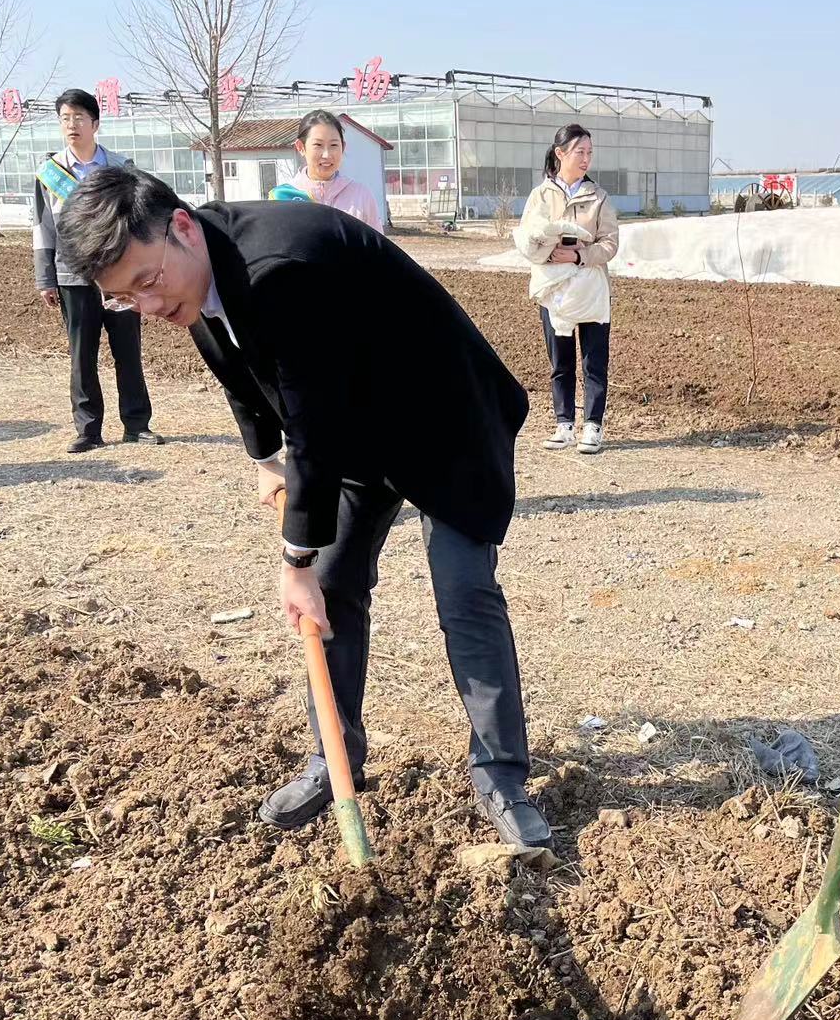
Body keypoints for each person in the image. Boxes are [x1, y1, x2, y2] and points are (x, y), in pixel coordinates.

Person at [54, 165, 551, 848]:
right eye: (122, 297)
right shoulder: (192, 278)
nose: (144, 306)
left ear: (180, 227)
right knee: (335, 586)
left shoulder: (279, 268)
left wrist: (294, 558)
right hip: (355, 423)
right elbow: (243, 383)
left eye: (144, 282)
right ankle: (335, 759)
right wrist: (264, 462)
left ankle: (500, 774)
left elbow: (313, 431)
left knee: (461, 594)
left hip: (443, 418)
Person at [32, 88, 160, 453]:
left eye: (79, 118)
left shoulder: (121, 168)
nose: (72, 125)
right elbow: (42, 227)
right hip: (73, 276)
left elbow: (139, 223)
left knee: (128, 351)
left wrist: (144, 275)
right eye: (65, 119)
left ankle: (137, 424)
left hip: (120, 276)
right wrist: (45, 276)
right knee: (81, 355)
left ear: (95, 124)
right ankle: (88, 430)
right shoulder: (49, 174)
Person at [515, 123, 619, 455]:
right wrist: (550, 254)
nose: (586, 158)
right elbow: (528, 239)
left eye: (589, 152)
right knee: (560, 361)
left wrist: (578, 256)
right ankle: (564, 426)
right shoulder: (541, 195)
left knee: (593, 359)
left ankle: (593, 426)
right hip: (553, 291)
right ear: (560, 154)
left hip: (590, 289)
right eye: (580, 152)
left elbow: (610, 244)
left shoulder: (598, 197)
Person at [286, 109, 382, 232]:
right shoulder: (284, 197)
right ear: (301, 147)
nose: (327, 155)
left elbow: (378, 248)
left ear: (343, 147)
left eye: (334, 145)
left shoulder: (361, 196)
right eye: (318, 145)